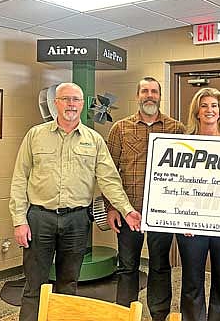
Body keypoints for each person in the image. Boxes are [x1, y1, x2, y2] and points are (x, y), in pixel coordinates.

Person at [9, 82, 141, 321]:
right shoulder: (35, 136)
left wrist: (127, 209)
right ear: (56, 103)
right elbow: (19, 179)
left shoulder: (94, 140)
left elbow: (109, 179)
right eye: (66, 99)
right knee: (34, 285)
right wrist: (19, 221)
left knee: (68, 285)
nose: (71, 104)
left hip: (77, 221)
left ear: (82, 104)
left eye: (76, 100)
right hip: (40, 218)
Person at [105, 77, 185, 321]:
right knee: (127, 267)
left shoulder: (176, 129)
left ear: (160, 96)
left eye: (154, 91)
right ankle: (125, 314)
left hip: (162, 213)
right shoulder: (120, 128)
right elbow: (108, 171)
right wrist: (112, 207)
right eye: (145, 91)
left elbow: (186, 175)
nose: (149, 95)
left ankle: (159, 315)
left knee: (160, 266)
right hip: (129, 211)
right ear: (137, 95)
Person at [176, 87, 220, 321]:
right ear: (197, 112)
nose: (209, 110)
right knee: (192, 281)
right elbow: (174, 184)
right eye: (204, 106)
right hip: (191, 226)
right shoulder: (181, 143)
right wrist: (182, 218)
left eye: (214, 105)